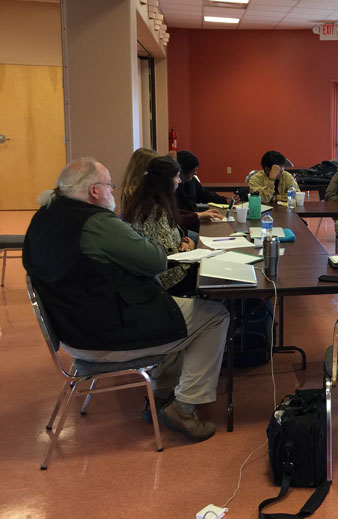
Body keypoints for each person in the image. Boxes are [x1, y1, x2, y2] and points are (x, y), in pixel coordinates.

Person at [23, 158, 229, 443]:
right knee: (214, 315)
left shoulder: (44, 216)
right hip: (103, 335)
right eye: (110, 185)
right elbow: (155, 259)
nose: (112, 191)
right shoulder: (95, 223)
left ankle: (159, 395)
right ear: (95, 191)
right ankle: (183, 408)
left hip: (70, 329)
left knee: (174, 307)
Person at [122, 156, 197, 296]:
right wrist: (190, 250)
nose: (180, 181)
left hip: (169, 270)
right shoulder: (154, 211)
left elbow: (171, 237)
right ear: (166, 181)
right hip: (167, 278)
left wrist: (185, 241)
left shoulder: (152, 203)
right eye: (176, 177)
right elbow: (169, 257)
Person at [121, 148, 220, 232]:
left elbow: (171, 213)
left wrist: (197, 215)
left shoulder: (141, 192)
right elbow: (169, 221)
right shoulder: (145, 196)